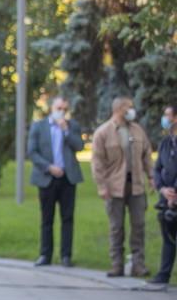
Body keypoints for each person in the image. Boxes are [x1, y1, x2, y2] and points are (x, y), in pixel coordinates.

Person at [91, 97, 154, 277]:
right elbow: (97, 162)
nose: (133, 110)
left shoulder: (137, 130)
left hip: (136, 186)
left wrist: (151, 177)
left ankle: (138, 263)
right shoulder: (103, 132)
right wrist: (101, 186)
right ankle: (117, 264)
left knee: (138, 225)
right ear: (119, 109)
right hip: (114, 187)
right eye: (130, 107)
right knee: (117, 227)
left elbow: (147, 155)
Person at [26, 96, 84, 267]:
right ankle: (45, 255)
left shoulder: (72, 126)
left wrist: (66, 131)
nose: (62, 112)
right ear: (52, 108)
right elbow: (32, 152)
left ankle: (66, 255)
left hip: (68, 178)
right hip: (47, 178)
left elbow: (79, 146)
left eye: (65, 109)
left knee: (67, 218)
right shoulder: (39, 126)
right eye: (59, 108)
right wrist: (49, 167)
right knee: (47, 218)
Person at [149, 104, 177, 287]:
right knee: (168, 237)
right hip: (166, 198)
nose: (165, 118)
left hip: (174, 196)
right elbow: (157, 168)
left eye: (167, 115)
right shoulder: (166, 142)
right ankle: (163, 274)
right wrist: (163, 190)